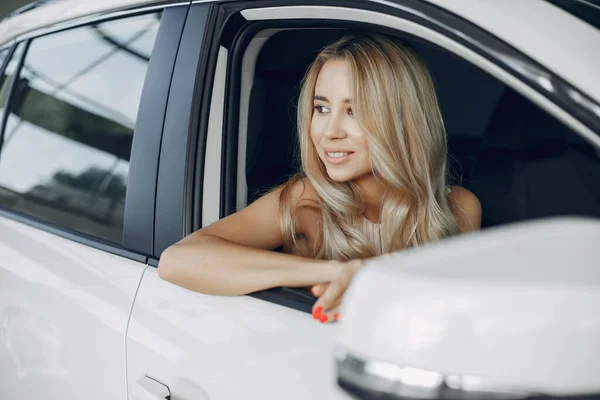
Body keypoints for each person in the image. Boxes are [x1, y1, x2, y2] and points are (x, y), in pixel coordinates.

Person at [157, 33, 482, 323]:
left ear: (401, 119)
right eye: (321, 108)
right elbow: (177, 261)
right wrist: (338, 271)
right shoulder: (305, 200)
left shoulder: (458, 208)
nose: (329, 132)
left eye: (354, 111)